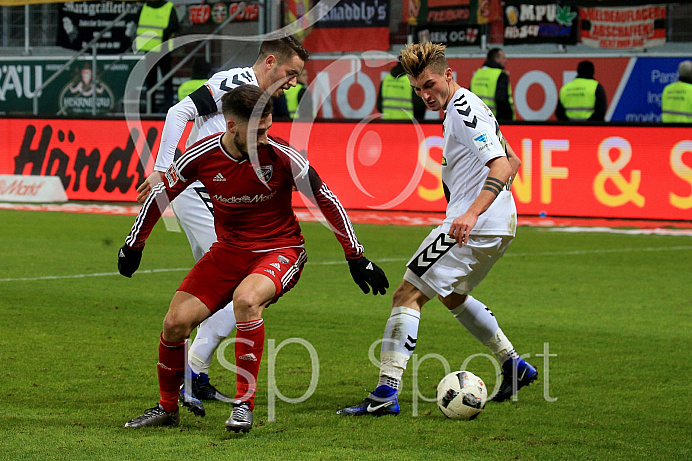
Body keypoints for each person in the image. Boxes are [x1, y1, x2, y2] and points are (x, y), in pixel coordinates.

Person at [119, 85, 389, 431]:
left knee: (246, 300)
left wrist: (356, 256)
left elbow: (327, 200)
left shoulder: (283, 156)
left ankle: (244, 405)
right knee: (174, 324)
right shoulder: (199, 155)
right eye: (257, 131)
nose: (265, 137)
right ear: (231, 127)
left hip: (281, 249)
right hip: (228, 253)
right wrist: (133, 245)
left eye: (268, 127)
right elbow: (161, 193)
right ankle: (167, 408)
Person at [337, 42, 537, 417]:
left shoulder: (462, 111)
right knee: (452, 296)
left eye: (429, 84)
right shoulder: (469, 106)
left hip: (472, 225)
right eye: (417, 89)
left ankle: (385, 393)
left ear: (449, 74)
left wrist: (472, 212)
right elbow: (515, 160)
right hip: (499, 224)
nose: (424, 94)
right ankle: (514, 365)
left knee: (406, 295)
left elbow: (499, 165)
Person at [135, 36, 311, 409]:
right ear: (269, 62)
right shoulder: (234, 84)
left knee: (239, 293)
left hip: (218, 196)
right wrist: (163, 170)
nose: (294, 82)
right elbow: (178, 112)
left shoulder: (256, 105)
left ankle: (193, 372)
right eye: (291, 73)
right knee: (239, 287)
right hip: (202, 192)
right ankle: (192, 372)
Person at [134, 0, 179, 112]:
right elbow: (174, 26)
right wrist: (163, 36)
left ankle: (152, 107)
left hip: (149, 47)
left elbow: (136, 22)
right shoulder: (169, 7)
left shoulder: (144, 8)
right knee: (166, 79)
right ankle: (167, 106)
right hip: (162, 47)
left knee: (151, 80)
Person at [469, 48, 514, 121]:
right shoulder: (500, 75)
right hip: (494, 121)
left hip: (477, 120)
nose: (506, 60)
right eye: (503, 58)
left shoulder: (477, 74)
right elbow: (501, 101)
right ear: (497, 59)